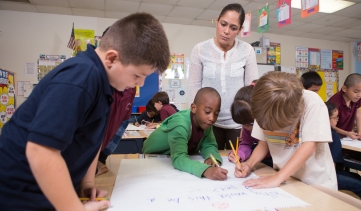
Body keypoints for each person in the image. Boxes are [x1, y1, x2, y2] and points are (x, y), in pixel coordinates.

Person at [0, 13, 170, 211]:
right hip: (20, 194)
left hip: (50, 191)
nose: (140, 84)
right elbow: (41, 151)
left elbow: (92, 141)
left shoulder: (106, 86)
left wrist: (86, 185)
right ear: (112, 58)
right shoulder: (81, 76)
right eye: (137, 75)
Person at [234, 72, 337, 190]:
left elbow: (310, 145)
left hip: (314, 181)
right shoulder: (263, 104)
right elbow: (264, 143)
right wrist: (249, 164)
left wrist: (278, 177)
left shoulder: (312, 102)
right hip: (286, 178)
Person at [188, 3, 258, 150]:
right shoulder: (200, 49)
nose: (226, 31)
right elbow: (194, 86)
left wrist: (248, 122)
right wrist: (194, 120)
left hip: (238, 122)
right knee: (210, 161)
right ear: (217, 21)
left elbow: (252, 89)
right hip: (209, 121)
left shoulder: (247, 50)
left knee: (238, 162)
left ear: (239, 30)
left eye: (233, 28)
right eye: (223, 24)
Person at [142, 87, 228, 180]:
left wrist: (212, 157)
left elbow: (209, 144)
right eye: (207, 112)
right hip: (153, 158)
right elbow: (179, 158)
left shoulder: (205, 122)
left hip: (173, 156)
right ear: (194, 108)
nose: (212, 118)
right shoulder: (180, 124)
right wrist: (205, 170)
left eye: (216, 113)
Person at [96, 26, 136, 177]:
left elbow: (121, 124)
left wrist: (101, 157)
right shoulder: (92, 81)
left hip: (94, 160)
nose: (140, 83)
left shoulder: (130, 88)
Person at [325, 102, 361, 203]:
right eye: (335, 118)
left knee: (357, 176)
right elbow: (332, 167)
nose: (337, 120)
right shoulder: (333, 136)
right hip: (326, 175)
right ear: (326, 119)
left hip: (318, 171)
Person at [228, 83, 272, 167]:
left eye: (250, 124)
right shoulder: (247, 126)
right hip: (262, 161)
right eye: (243, 124)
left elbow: (265, 145)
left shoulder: (269, 124)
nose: (246, 128)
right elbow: (246, 144)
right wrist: (239, 154)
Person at [327, 73, 361, 141]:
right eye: (356, 91)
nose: (359, 95)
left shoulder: (355, 98)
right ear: (344, 89)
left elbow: (359, 114)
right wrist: (347, 133)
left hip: (346, 137)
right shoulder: (335, 102)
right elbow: (330, 124)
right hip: (332, 137)